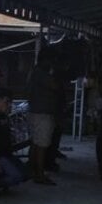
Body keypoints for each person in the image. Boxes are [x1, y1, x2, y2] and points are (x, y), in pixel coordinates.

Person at [28, 48, 60, 185]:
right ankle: (39, 174)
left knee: (36, 143)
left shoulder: (35, 72)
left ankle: (34, 170)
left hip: (37, 111)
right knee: (41, 145)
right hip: (42, 114)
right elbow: (55, 86)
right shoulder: (41, 73)